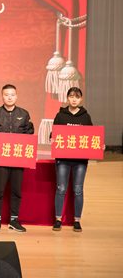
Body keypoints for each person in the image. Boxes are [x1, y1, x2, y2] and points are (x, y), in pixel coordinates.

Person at [0, 84, 34, 233]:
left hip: (18, 158)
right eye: (6, 95)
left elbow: (29, 135)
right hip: (0, 158)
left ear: (16, 96)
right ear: (2, 97)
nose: (9, 97)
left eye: (12, 95)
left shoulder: (24, 114)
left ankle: (14, 220)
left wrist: (29, 156)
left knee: (16, 190)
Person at [52, 87, 101, 233]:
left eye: (77, 97)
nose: (74, 99)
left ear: (81, 99)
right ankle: (58, 219)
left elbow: (92, 136)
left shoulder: (85, 117)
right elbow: (53, 133)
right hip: (63, 159)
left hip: (80, 160)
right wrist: (52, 139)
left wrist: (99, 145)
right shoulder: (60, 115)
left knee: (78, 190)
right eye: (71, 96)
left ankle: (77, 220)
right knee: (61, 188)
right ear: (67, 98)